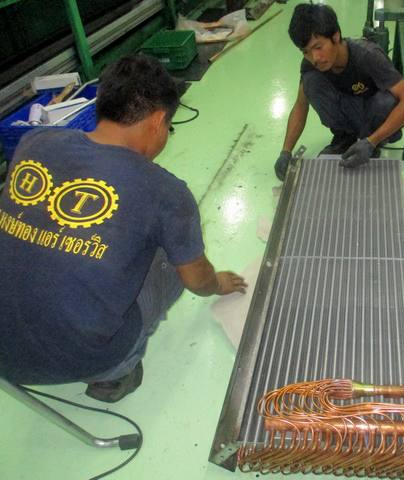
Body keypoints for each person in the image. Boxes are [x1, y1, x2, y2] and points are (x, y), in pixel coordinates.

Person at [0, 55, 247, 402]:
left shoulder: (34, 142)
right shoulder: (167, 193)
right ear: (159, 121)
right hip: (80, 359)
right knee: (172, 257)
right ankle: (114, 373)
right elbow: (196, 280)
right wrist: (218, 283)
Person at [274, 2, 404, 180]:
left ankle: (371, 143)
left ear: (336, 36)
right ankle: (344, 138)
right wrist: (286, 152)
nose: (315, 58)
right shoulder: (311, 65)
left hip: (371, 114)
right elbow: (300, 106)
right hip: (349, 109)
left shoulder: (367, 55)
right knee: (311, 82)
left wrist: (371, 142)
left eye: (318, 47)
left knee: (388, 101)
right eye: (305, 52)